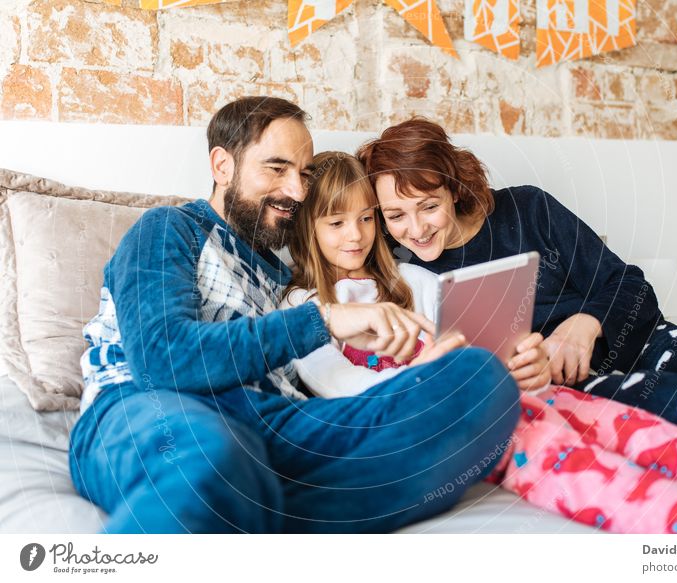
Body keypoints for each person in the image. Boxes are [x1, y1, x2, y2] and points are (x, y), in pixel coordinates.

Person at [280, 151, 677, 533]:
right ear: (308, 228)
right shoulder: (303, 310)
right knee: (561, 459)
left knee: (634, 427)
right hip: (452, 416)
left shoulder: (412, 282)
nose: (358, 234)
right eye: (337, 222)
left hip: (524, 390)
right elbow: (341, 386)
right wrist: (428, 374)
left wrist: (522, 356)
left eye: (368, 218)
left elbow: (475, 342)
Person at [68, 97, 521, 534]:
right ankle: (259, 506)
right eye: (277, 168)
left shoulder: (282, 278)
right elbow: (162, 360)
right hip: (155, 408)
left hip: (279, 424)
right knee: (209, 458)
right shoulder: (168, 229)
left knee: (478, 380)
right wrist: (322, 322)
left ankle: (261, 514)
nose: (296, 191)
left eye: (303, 174)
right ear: (222, 166)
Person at [357, 118, 677, 455]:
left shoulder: (529, 208)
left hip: (650, 342)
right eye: (395, 215)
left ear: (453, 189)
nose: (415, 228)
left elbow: (630, 285)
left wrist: (586, 323)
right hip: (578, 388)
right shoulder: (408, 276)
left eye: (428, 206)